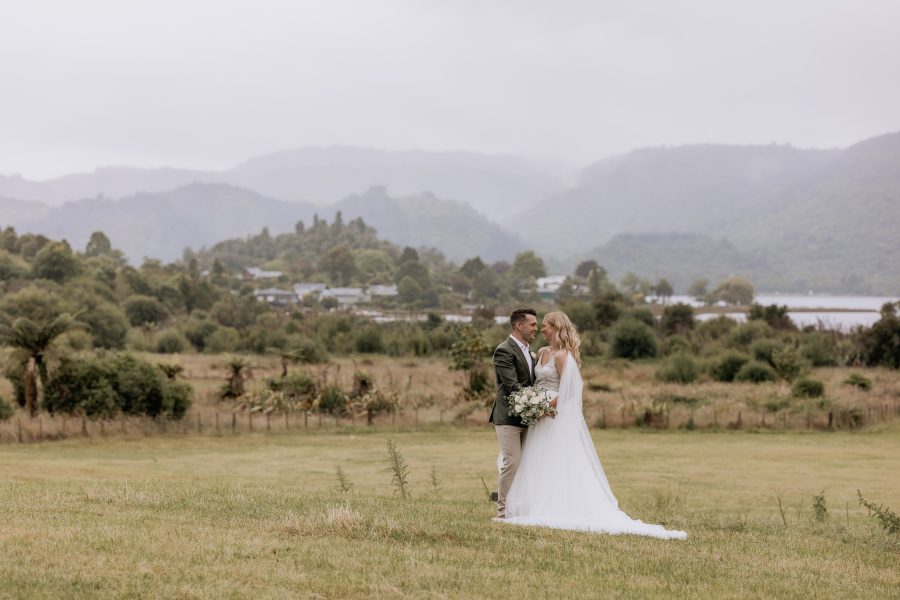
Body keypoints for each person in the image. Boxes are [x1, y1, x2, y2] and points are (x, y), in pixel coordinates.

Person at [501, 311, 687, 540]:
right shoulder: (540, 352)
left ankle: (557, 506)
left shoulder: (562, 357)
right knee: (536, 459)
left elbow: (570, 390)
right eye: (539, 325)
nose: (541, 329)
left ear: (557, 328)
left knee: (555, 459)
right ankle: (534, 504)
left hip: (552, 414)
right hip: (538, 415)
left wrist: (545, 407)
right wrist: (533, 407)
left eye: (546, 326)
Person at [490, 307, 537, 519]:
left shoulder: (530, 351)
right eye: (533, 324)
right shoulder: (504, 350)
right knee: (512, 461)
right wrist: (538, 402)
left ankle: (520, 507)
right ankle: (502, 511)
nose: (536, 328)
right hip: (508, 417)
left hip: (528, 417)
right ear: (519, 325)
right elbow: (512, 386)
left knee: (526, 463)